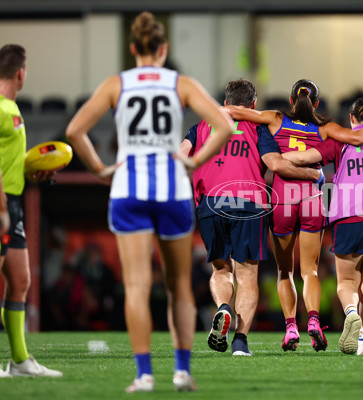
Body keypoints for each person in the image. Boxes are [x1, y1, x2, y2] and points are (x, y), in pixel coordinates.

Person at [65, 12, 234, 392]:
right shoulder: (181, 84)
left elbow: (75, 130)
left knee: (138, 287)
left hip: (129, 187)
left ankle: (143, 375)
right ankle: (181, 372)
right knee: (179, 287)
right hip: (172, 189)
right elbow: (225, 125)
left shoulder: (116, 85)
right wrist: (194, 160)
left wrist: (100, 169)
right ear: (164, 48)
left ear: (132, 49)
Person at [226, 80, 363, 352]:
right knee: (310, 270)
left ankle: (290, 328)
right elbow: (357, 137)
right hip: (312, 198)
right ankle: (313, 322)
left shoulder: (275, 119)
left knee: (285, 270)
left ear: (290, 100)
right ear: (316, 103)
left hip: (283, 199)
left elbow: (237, 112)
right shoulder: (326, 129)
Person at [179, 78, 320, 356]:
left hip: (211, 201)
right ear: (253, 104)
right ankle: (240, 342)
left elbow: (181, 156)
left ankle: (222, 308)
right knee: (247, 275)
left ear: (225, 102)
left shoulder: (201, 126)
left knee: (221, 270)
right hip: (248, 201)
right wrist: (314, 174)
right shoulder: (258, 128)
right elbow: (275, 164)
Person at [282, 97, 363, 356]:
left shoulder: (340, 143)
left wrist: (274, 156)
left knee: (347, 281)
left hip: (350, 213)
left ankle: (351, 312)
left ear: (351, 120)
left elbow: (306, 157)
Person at [0, 44, 62, 378]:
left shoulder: (12, 109)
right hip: (0, 205)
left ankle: (19, 361)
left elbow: (8, 163)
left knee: (20, 280)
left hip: (13, 203)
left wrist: (32, 171)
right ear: (21, 73)